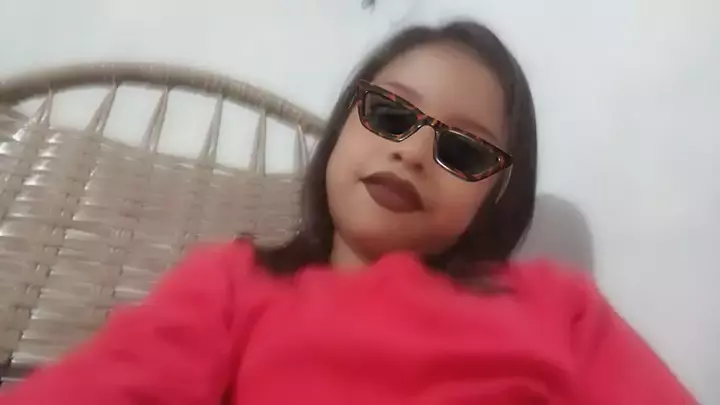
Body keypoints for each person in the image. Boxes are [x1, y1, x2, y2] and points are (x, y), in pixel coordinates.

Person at [0, 20, 696, 405]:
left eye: (462, 148)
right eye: (391, 114)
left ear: (494, 193)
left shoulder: (559, 306)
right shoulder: (235, 283)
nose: (413, 152)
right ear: (343, 128)